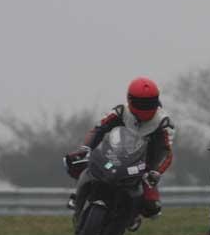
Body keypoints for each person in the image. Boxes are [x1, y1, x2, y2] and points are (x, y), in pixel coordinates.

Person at [64, 77, 175, 225]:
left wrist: (156, 172)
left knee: (152, 208)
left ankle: (133, 216)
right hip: (113, 155)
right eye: (140, 103)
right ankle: (78, 195)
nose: (144, 107)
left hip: (143, 165)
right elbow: (99, 129)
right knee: (76, 161)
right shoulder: (120, 111)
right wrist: (85, 149)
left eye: (149, 103)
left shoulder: (164, 122)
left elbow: (166, 151)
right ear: (130, 99)